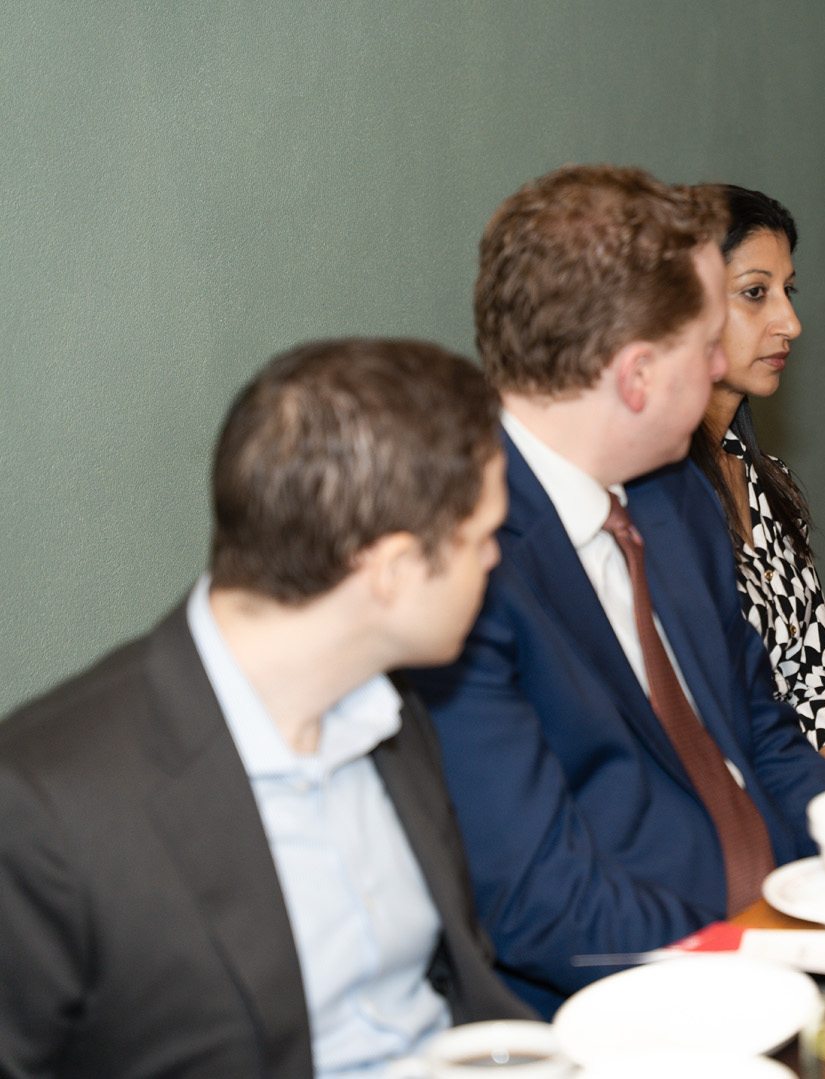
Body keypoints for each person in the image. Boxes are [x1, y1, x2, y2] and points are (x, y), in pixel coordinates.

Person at [0, 339, 532, 1079]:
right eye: (481, 539)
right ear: (394, 570)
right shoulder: (42, 806)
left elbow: (459, 984)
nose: (495, 560)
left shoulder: (391, 711)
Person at [412, 165, 825, 1018]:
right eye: (705, 344)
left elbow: (761, 728)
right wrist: (758, 961)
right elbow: (540, 900)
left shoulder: (673, 492)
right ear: (637, 375)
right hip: (627, 1007)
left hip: (784, 938)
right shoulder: (459, 566)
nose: (720, 364)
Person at [690, 184, 825, 784]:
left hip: (805, 791)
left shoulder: (765, 481)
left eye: (787, 291)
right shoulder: (652, 500)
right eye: (756, 293)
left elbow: (817, 685)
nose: (791, 323)